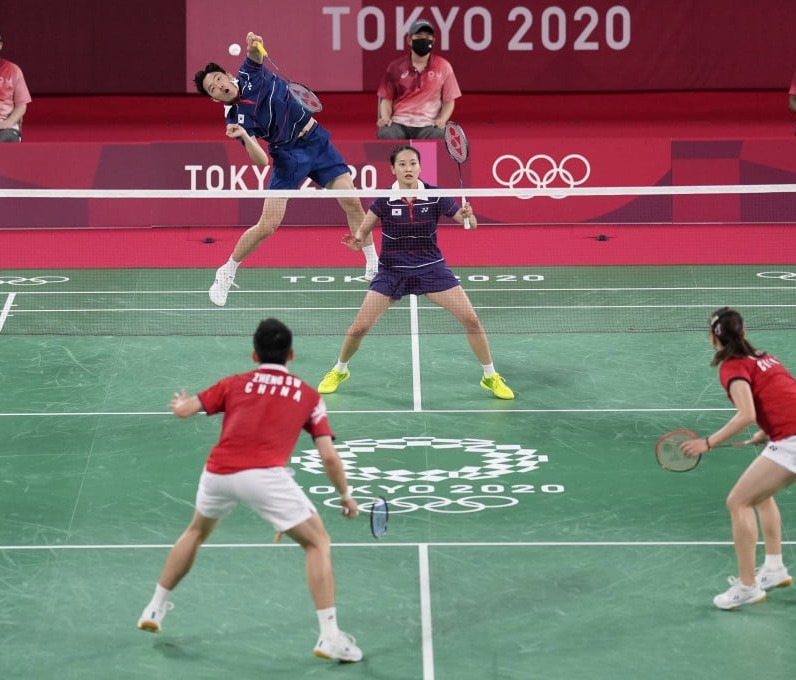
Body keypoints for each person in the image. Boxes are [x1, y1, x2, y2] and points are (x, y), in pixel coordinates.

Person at [136, 318, 363, 663]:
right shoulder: (308, 396)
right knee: (317, 543)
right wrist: (346, 495)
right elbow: (328, 457)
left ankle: (154, 608)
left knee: (196, 531)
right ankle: (330, 635)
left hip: (219, 472)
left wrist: (182, 402)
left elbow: (185, 410)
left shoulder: (235, 383)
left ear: (254, 355)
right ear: (292, 354)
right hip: (265, 478)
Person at [194, 31, 378, 306]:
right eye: (212, 88)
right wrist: (244, 136)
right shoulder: (236, 118)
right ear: (213, 98)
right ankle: (227, 270)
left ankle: (373, 265)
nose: (219, 86)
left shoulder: (248, 73)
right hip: (288, 156)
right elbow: (261, 161)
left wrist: (254, 42)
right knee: (268, 225)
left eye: (219, 79)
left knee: (352, 201)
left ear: (227, 75)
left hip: (316, 140)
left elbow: (254, 54)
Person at [316, 144, 514, 400]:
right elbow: (363, 231)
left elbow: (470, 225)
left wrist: (468, 216)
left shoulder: (435, 195)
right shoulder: (384, 198)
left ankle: (490, 376)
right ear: (393, 169)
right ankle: (339, 370)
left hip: (430, 268)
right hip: (392, 271)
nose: (408, 168)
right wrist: (357, 241)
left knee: (471, 319)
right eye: (402, 164)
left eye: (413, 163)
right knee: (360, 327)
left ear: (420, 167)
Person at [680, 307, 796, 610]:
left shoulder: (732, 367)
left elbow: (746, 413)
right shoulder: (763, 356)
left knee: (738, 502)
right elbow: (779, 394)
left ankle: (747, 586)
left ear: (713, 337)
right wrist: (767, 428)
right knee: (760, 496)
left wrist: (707, 443)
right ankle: (774, 569)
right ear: (743, 332)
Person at [376, 19, 462, 140]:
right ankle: (398, 158)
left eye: (428, 36)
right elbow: (386, 99)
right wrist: (385, 117)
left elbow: (449, 100)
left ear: (433, 40)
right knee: (385, 134)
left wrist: (442, 120)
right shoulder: (395, 67)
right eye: (419, 36)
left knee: (440, 136)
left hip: (428, 125)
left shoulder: (443, 66)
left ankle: (427, 159)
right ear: (409, 40)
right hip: (399, 123)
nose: (424, 39)